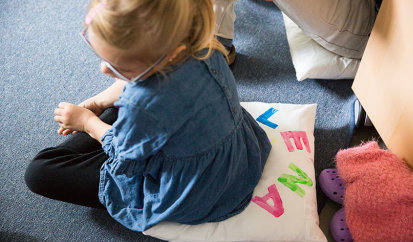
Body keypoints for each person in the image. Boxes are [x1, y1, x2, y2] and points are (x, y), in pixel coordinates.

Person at [24, 0, 272, 232]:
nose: (103, 69)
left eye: (121, 66)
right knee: (118, 110)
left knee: (40, 171)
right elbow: (147, 82)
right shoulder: (204, 44)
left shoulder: (141, 106)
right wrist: (99, 101)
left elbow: (121, 153)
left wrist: (87, 123)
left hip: (198, 189)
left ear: (169, 54)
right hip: (241, 156)